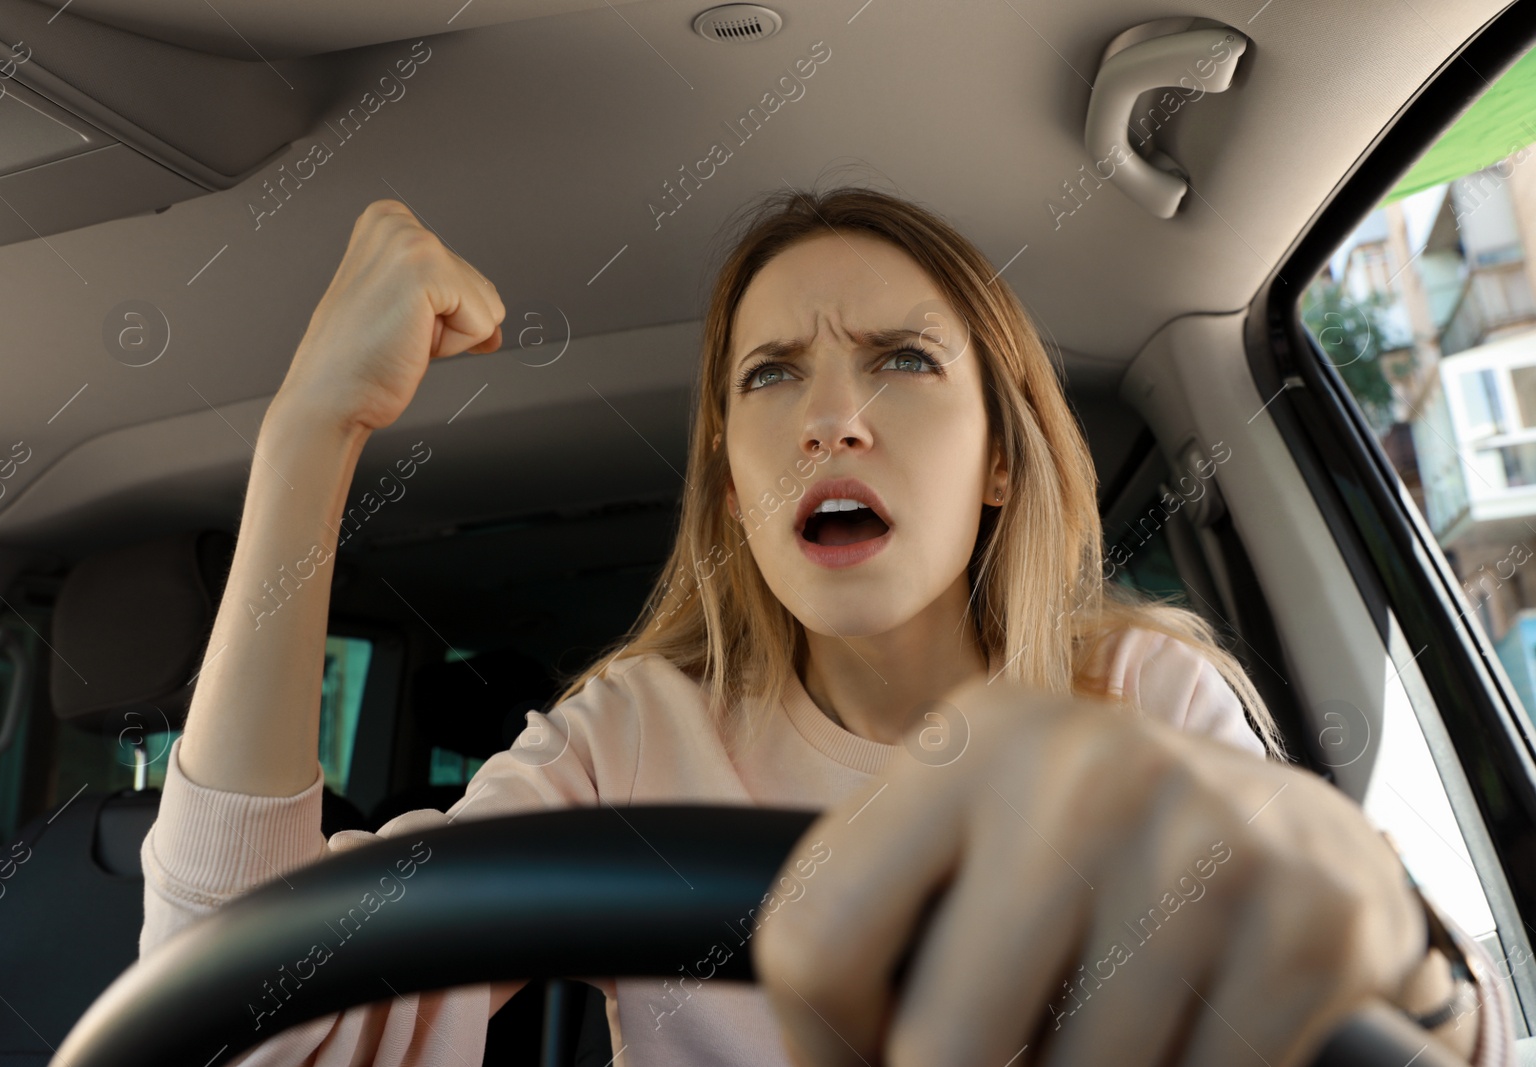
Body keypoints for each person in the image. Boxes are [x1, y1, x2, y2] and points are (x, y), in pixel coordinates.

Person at [139, 188, 1515, 1066]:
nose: (831, 417)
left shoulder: (1141, 694)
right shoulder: (631, 737)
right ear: (736, 490)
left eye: (904, 362)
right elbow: (250, 1019)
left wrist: (1378, 950)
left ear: (996, 459)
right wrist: (310, 433)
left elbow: (1407, 1035)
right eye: (773, 374)